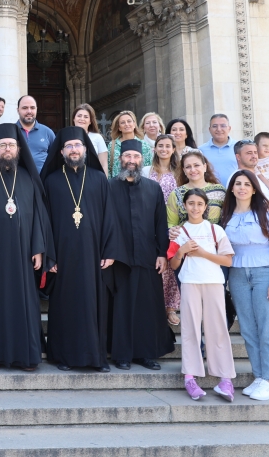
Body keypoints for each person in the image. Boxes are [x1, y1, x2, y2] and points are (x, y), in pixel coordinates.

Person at [0, 123, 51, 372]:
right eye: (2, 145)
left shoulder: (28, 176)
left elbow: (39, 215)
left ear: (18, 148)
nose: (7, 149)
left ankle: (25, 356)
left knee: (23, 303)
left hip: (24, 254)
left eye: (11, 145)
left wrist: (38, 248)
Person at [40, 127, 120, 372]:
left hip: (93, 254)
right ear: (62, 151)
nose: (74, 150)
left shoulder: (98, 178)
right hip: (62, 256)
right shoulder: (51, 181)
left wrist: (110, 250)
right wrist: (49, 256)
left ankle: (96, 357)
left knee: (94, 304)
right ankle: (63, 356)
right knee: (65, 304)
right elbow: (44, 221)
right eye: (69, 146)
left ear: (86, 149)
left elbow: (110, 217)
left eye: (78, 145)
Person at [106, 140, 174, 370]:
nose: (132, 161)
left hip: (147, 256)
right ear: (120, 160)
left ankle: (146, 354)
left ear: (141, 159)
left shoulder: (152, 188)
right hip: (118, 257)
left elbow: (160, 224)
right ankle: (122, 354)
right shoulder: (108, 187)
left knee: (146, 306)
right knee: (121, 306)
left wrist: (162, 253)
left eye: (136, 156)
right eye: (128, 157)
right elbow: (103, 223)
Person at [220, 170, 269, 401]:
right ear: (232, 188)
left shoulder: (265, 212)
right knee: (247, 328)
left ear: (255, 188)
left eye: (247, 184)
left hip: (265, 273)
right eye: (237, 184)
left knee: (267, 328)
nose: (242, 188)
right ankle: (259, 377)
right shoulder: (226, 214)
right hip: (237, 274)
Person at [170, 189, 237, 402]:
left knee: (217, 330)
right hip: (190, 282)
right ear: (185, 206)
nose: (195, 208)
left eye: (199, 203)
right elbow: (173, 264)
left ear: (206, 206)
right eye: (191, 203)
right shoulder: (178, 232)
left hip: (214, 282)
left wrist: (202, 253)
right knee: (190, 329)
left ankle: (225, 378)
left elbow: (227, 261)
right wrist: (181, 251)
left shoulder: (215, 230)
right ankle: (190, 377)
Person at [142, 134, 182, 326]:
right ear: (155, 149)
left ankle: (171, 308)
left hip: (174, 224)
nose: (164, 149)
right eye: (160, 146)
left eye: (168, 146)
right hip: (151, 223)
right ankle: (157, 305)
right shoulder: (146, 170)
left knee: (171, 266)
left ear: (174, 149)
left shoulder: (180, 172)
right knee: (157, 266)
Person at [16, 96, 56, 171]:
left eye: (32, 108)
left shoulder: (48, 132)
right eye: (24, 108)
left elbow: (54, 158)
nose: (29, 111)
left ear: (36, 109)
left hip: (42, 180)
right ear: (18, 110)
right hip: (17, 180)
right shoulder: (11, 132)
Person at [108, 110, 152, 177]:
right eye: (123, 122)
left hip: (139, 184)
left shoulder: (144, 146)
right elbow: (108, 168)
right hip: (117, 184)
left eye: (129, 121)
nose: (126, 124)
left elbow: (150, 168)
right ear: (119, 128)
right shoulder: (112, 145)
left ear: (134, 124)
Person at [199, 113, 237, 185]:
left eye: (223, 126)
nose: (219, 129)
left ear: (229, 128)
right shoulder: (201, 150)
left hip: (234, 193)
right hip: (210, 193)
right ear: (209, 129)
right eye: (214, 126)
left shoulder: (239, 147)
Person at [72, 103, 108, 174]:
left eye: (86, 117)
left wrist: (104, 183)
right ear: (74, 118)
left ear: (90, 121)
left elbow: (104, 164)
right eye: (79, 116)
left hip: (93, 177)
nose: (82, 119)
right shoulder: (67, 136)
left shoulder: (97, 137)